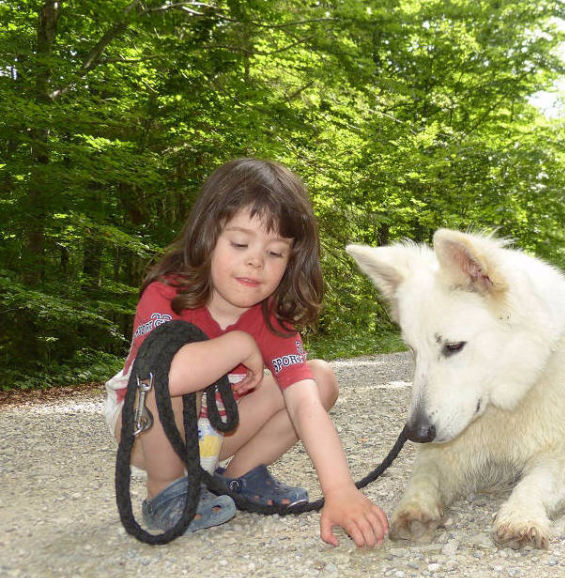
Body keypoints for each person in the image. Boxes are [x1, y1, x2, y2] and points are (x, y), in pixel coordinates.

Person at [104, 158, 389, 547]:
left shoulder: (273, 318)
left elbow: (305, 405)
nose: (256, 261)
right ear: (207, 236)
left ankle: (238, 477)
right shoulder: (168, 294)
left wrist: (340, 489)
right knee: (164, 376)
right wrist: (237, 344)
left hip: (217, 432)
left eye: (275, 253)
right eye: (240, 244)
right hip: (147, 432)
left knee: (318, 380)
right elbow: (166, 375)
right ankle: (166, 491)